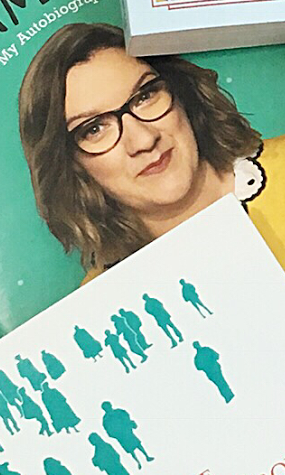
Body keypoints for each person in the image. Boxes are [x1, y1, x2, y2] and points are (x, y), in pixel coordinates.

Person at [19, 23, 262, 282]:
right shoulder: (104, 299)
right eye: (95, 129)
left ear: (181, 91)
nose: (144, 140)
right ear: (70, 164)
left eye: (144, 96)